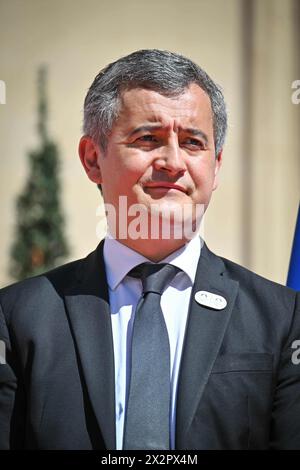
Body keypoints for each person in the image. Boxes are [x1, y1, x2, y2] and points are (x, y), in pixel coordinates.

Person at [0, 49, 299, 450]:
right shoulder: (18, 317)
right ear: (93, 158)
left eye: (193, 142)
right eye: (148, 138)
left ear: (216, 166)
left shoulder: (282, 319)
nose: (173, 162)